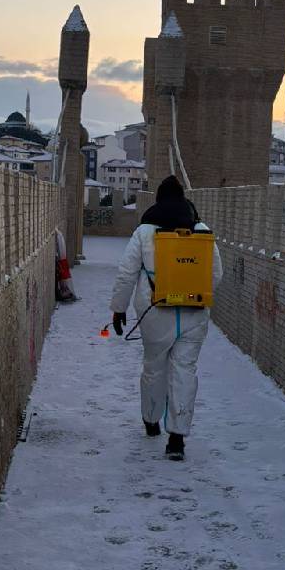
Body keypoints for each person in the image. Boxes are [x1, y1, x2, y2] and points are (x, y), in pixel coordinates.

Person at [110, 176, 223, 461]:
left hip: (154, 312)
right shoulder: (201, 230)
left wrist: (118, 308)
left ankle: (151, 420)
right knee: (184, 371)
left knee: (154, 367)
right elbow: (216, 274)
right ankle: (177, 438)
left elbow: (126, 273)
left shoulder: (145, 232)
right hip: (194, 315)